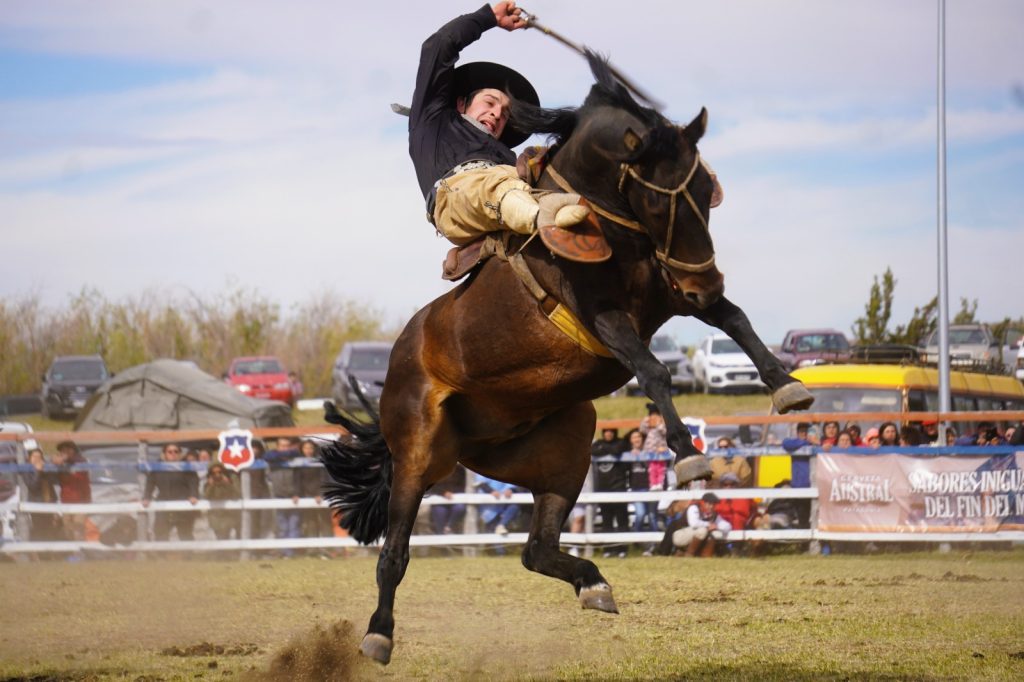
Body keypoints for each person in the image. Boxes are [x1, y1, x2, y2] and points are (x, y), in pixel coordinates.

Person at [409, 2, 591, 248]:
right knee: (494, 186)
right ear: (462, 103)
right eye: (490, 102)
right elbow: (438, 46)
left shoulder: (508, 158)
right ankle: (544, 217)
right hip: (455, 199)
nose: (497, 114)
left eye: (505, 113)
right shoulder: (434, 120)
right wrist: (489, 17)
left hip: (512, 188)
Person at [141, 443, 199, 542]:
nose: (173, 454)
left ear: (180, 453)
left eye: (176, 451)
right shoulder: (157, 468)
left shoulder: (187, 467)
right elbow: (150, 483)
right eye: (170, 452)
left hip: (183, 505)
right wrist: (147, 497)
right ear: (164, 453)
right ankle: (162, 552)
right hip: (163, 505)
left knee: (185, 535)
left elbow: (193, 482)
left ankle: (189, 552)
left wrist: (193, 495)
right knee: (160, 534)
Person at [590, 427, 629, 556]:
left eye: (611, 431)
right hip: (603, 489)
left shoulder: (621, 442)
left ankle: (622, 549)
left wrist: (604, 449)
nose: (608, 434)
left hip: (619, 488)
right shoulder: (598, 443)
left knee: (622, 519)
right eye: (606, 431)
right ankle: (608, 549)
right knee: (607, 520)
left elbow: (617, 450)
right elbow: (592, 451)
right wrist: (608, 449)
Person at [264, 437, 303, 557]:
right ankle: (283, 551)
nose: (285, 448)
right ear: (277, 446)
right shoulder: (272, 459)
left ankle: (291, 552)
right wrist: (283, 454)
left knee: (293, 524)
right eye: (282, 446)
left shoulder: (296, 459)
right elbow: (267, 456)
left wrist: (297, 493)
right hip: (278, 496)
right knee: (282, 525)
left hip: (293, 496)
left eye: (287, 446)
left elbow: (299, 479)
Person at [51, 440, 92, 541]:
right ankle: (70, 549)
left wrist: (65, 458)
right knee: (67, 530)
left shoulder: (80, 461)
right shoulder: (61, 464)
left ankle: (80, 549)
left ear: (74, 450)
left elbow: (78, 461)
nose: (65, 452)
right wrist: (54, 459)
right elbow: (50, 463)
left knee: (78, 530)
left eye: (68, 449)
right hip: (66, 502)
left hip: (81, 502)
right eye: (63, 450)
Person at [21, 448, 63, 542]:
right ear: (29, 458)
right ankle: (38, 549)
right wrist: (38, 472)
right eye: (34, 456)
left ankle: (50, 549)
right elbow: (32, 486)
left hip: (50, 502)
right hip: (36, 504)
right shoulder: (26, 470)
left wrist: (55, 465)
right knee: (39, 528)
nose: (37, 459)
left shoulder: (46, 468)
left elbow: (56, 479)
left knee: (51, 528)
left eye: (39, 457)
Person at [671, 492, 732, 557]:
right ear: (703, 502)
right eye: (709, 504)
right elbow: (693, 523)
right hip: (680, 535)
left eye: (713, 504)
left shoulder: (714, 514)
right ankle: (689, 554)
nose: (711, 507)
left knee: (715, 533)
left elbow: (727, 526)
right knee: (702, 531)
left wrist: (717, 526)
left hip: (694, 536)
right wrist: (709, 525)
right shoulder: (694, 508)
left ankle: (705, 556)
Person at [713, 472, 756, 554]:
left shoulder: (744, 497)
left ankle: (736, 548)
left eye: (732, 484)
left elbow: (753, 510)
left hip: (739, 525)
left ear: (737, 485)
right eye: (725, 485)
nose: (728, 487)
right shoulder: (717, 497)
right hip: (721, 523)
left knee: (737, 518)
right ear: (721, 486)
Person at [203, 462, 241, 541]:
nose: (217, 475)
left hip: (229, 515)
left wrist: (228, 484)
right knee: (220, 538)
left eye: (219, 472)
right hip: (215, 515)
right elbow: (206, 497)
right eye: (214, 473)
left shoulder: (231, 480)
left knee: (227, 536)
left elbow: (237, 496)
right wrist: (211, 485)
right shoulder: (208, 483)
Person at [426, 464, 467, 535]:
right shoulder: (435, 468)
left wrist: (452, 493)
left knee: (460, 508)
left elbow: (462, 486)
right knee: (440, 511)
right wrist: (443, 493)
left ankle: (448, 527)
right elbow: (432, 486)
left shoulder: (460, 469)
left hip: (454, 498)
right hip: (439, 499)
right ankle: (441, 534)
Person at [639, 404, 669, 491]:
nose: (654, 417)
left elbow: (665, 432)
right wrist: (646, 421)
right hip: (650, 451)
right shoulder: (649, 428)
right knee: (652, 469)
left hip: (660, 451)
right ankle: (653, 484)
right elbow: (642, 430)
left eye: (656, 415)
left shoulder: (662, 425)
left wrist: (659, 423)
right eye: (652, 415)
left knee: (660, 468)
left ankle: (660, 483)